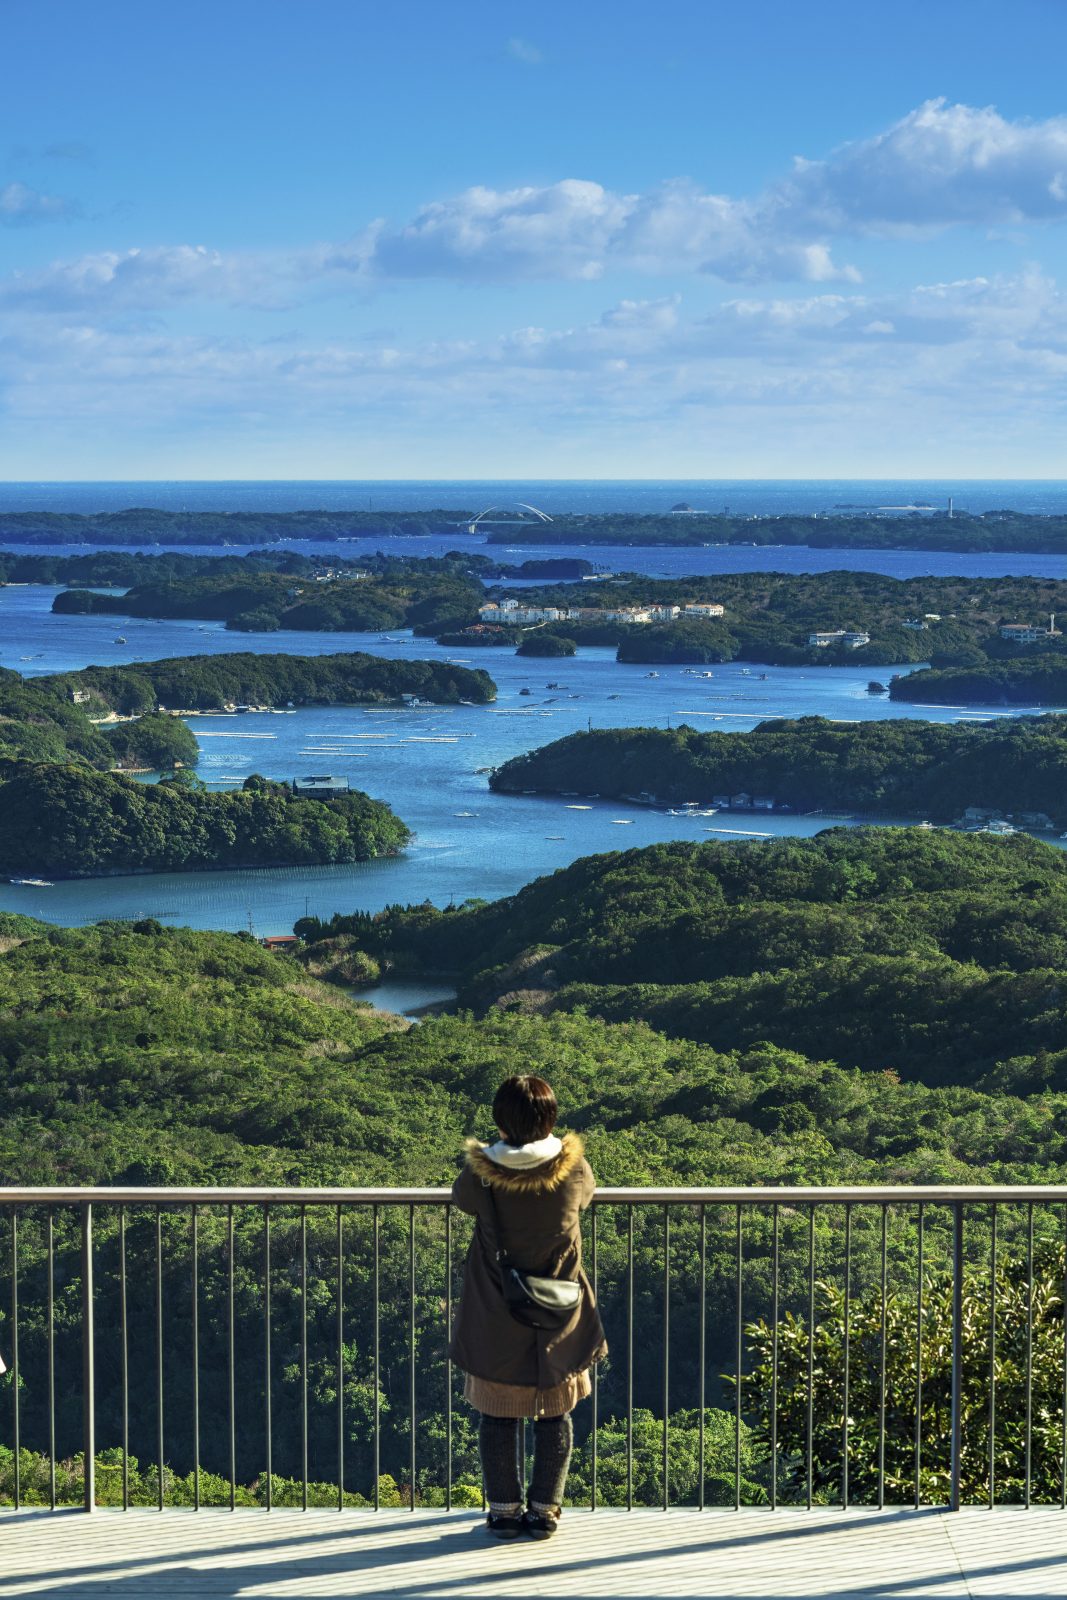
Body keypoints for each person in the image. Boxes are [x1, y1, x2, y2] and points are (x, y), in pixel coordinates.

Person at [449, 1073, 606, 1540]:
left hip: (499, 1308)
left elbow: (462, 1200)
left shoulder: (482, 1174)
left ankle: (503, 1511)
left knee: (497, 1416)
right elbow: (587, 1196)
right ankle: (544, 1510)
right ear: (550, 1120)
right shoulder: (573, 1169)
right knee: (555, 1415)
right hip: (559, 1309)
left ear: (501, 1123)